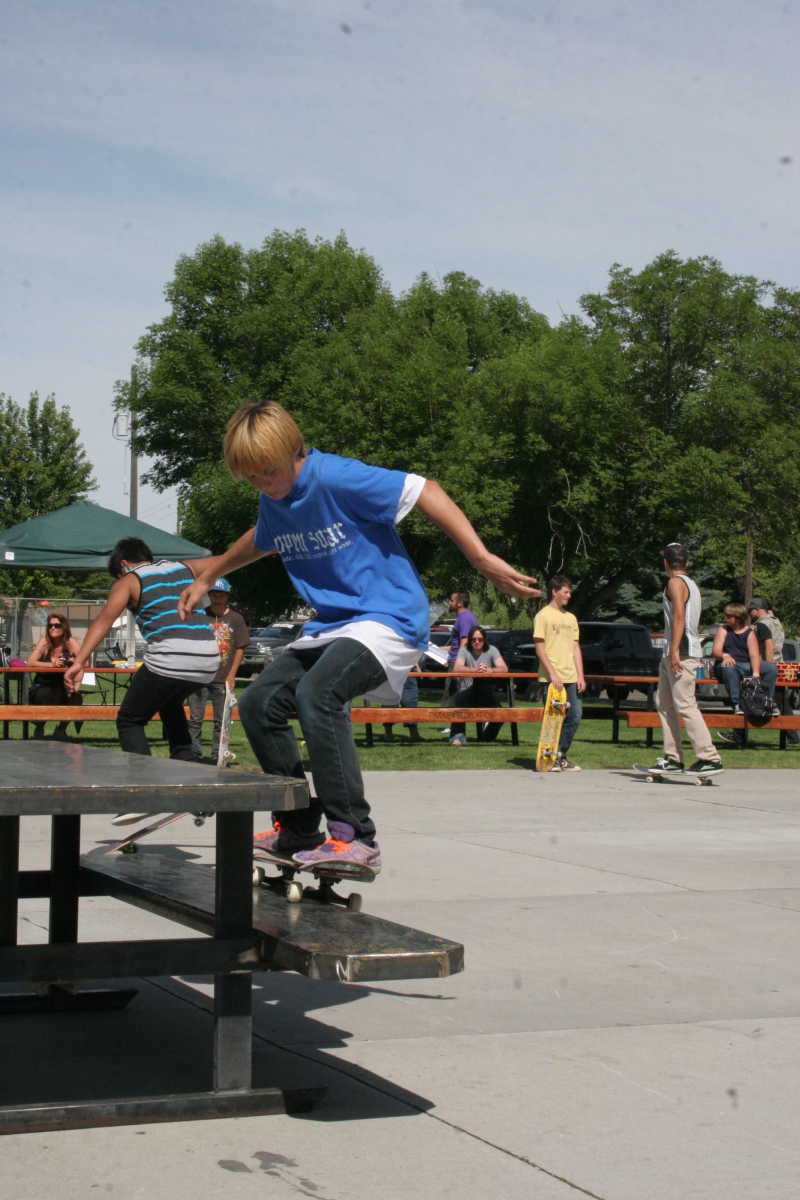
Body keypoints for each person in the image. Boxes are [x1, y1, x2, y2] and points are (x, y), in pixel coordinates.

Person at [177, 400, 540, 871]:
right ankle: (297, 825)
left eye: (269, 471)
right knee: (259, 704)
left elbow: (424, 489)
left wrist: (480, 557)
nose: (264, 484)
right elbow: (260, 538)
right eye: (251, 478)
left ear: (293, 449)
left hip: (388, 618)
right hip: (333, 625)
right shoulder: (274, 500)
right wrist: (209, 575)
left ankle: (355, 836)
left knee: (318, 694)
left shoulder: (336, 477)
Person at [64, 538, 220, 824]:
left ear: (123, 565)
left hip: (172, 656)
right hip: (208, 658)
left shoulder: (129, 580)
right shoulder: (185, 566)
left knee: (130, 719)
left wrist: (79, 661)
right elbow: (226, 561)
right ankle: (188, 770)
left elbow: (104, 620)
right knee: (169, 702)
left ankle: (144, 793)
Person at [647, 543, 722, 776]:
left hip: (681, 652)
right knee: (665, 703)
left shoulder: (675, 582)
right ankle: (673, 757)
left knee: (685, 705)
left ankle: (709, 757)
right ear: (686, 562)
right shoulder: (691, 583)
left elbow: (679, 615)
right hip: (675, 651)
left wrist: (674, 651)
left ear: (665, 563)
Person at [186, 577, 250, 762]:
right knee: (195, 719)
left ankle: (218, 756)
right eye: (214, 594)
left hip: (222, 677)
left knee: (221, 721)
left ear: (227, 596)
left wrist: (232, 675)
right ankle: (194, 755)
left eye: (221, 594)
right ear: (209, 595)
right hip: (200, 676)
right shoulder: (199, 616)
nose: (217, 598)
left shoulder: (236, 619)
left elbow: (240, 648)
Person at [532, 575, 586, 771]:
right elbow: (540, 648)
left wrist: (581, 675)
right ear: (554, 591)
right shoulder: (543, 616)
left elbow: (575, 648)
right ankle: (550, 758)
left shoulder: (571, 618)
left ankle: (560, 755)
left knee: (575, 716)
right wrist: (552, 674)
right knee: (554, 720)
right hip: (552, 678)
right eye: (566, 592)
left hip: (571, 676)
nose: (569, 595)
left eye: (570, 592)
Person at [444, 624, 507, 745]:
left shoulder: (492, 650)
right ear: (470, 640)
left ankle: (486, 737)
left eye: (480, 639)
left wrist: (490, 670)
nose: (477, 642)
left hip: (486, 693)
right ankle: (457, 737)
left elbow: (504, 668)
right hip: (466, 691)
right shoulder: (464, 650)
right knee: (459, 702)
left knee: (503, 713)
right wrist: (476, 670)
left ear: (485, 639)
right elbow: (457, 668)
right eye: (473, 639)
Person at [27, 612, 83, 740]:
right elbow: (30, 662)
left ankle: (61, 730)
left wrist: (72, 661)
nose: (52, 628)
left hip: (64, 687)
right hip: (43, 686)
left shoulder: (71, 642)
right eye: (50, 625)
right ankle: (39, 728)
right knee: (46, 694)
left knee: (76, 698)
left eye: (57, 625)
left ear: (64, 627)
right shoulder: (44, 642)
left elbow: (85, 662)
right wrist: (51, 665)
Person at [712, 603, 778, 713]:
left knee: (771, 668)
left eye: (728, 616)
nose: (725, 618)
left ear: (738, 618)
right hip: (727, 664)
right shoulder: (723, 630)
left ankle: (766, 700)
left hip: (745, 664)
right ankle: (736, 703)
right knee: (729, 668)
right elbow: (716, 651)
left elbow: (754, 655)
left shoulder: (749, 633)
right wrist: (725, 655)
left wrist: (756, 673)